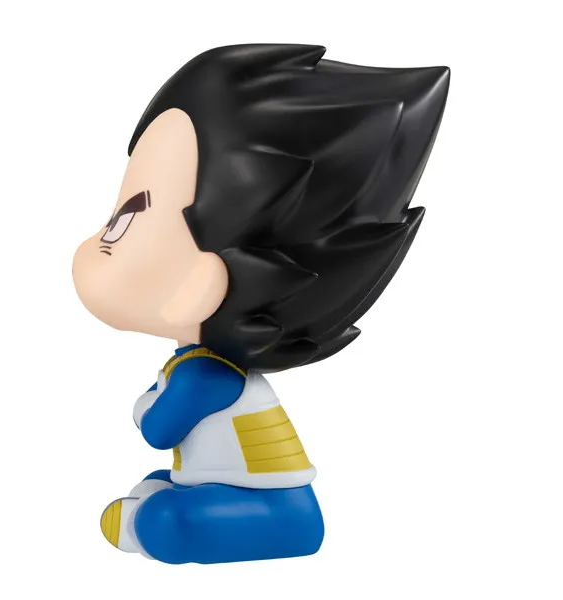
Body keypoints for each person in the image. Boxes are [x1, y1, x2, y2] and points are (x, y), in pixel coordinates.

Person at [72, 43, 450, 564]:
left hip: (278, 514)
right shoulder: (199, 368)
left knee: (164, 518)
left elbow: (157, 429)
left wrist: (147, 409)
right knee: (163, 486)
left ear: (200, 285)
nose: (95, 242)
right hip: (242, 493)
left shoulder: (205, 376)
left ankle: (151, 529)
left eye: (122, 223)